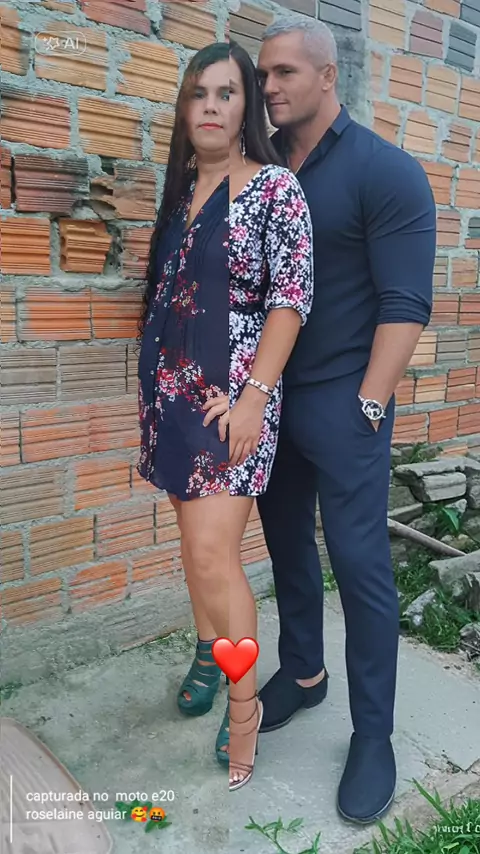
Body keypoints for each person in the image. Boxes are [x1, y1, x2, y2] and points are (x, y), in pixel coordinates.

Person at [256, 17, 436, 823]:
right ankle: (304, 672)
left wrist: (369, 403)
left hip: (344, 402)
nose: (269, 86)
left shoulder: (385, 171)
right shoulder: (265, 170)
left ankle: (372, 734)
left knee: (360, 568)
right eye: (263, 74)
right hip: (272, 401)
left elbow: (405, 303)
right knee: (286, 544)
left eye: (285, 72)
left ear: (327, 76)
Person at [136, 40, 314, 791]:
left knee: (214, 553)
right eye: (198, 94)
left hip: (233, 405)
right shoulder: (181, 192)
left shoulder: (274, 190)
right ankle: (209, 653)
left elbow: (289, 300)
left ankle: (245, 709)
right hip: (171, 396)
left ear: (247, 107)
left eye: (226, 93)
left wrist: (253, 398)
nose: (210, 106)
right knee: (193, 543)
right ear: (185, 108)